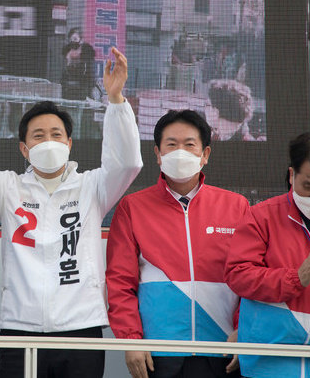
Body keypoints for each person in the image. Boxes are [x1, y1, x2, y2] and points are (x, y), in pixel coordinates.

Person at [0, 47, 142, 378]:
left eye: (56, 135)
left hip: (81, 329)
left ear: (69, 144)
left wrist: (116, 100)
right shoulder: (8, 188)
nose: (47, 141)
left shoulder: (92, 188)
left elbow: (126, 162)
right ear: (24, 149)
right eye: (38, 136)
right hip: (20, 329)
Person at [106, 110, 250, 378]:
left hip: (224, 349)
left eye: (189, 144)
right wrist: (130, 340)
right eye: (171, 145)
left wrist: (245, 332)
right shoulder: (133, 207)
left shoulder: (236, 206)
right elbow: (120, 281)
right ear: (158, 154)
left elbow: (250, 278)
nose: (179, 152)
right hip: (159, 351)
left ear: (205, 154)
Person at [225, 132, 310, 378]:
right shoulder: (261, 216)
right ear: (292, 175)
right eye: (308, 186)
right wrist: (293, 279)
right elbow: (237, 274)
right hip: (269, 361)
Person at [60, 27, 97, 101]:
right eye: (71, 39)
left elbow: (90, 72)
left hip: (83, 83)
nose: (73, 41)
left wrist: (89, 86)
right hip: (69, 83)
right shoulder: (67, 51)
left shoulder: (87, 52)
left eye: (75, 39)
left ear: (81, 40)